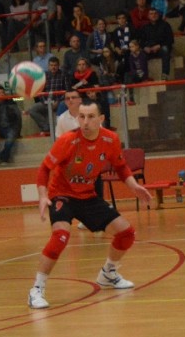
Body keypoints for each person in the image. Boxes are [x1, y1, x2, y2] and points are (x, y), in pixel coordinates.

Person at [28, 100, 152, 309]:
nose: (85, 122)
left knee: (126, 233)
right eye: (82, 116)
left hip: (87, 196)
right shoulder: (67, 140)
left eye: (91, 117)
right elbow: (44, 169)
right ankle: (36, 289)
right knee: (60, 237)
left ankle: (108, 273)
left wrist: (133, 186)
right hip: (62, 195)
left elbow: (121, 166)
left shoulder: (110, 139)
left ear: (101, 118)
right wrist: (42, 195)